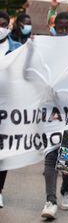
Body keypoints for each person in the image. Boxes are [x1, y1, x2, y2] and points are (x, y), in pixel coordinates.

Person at [41, 12, 68, 219]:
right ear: (54, 27)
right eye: (59, 28)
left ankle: (66, 191)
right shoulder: (47, 50)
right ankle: (50, 200)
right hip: (50, 111)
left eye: (66, 28)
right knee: (51, 154)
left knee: (67, 156)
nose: (63, 32)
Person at [0, 11, 22, 208]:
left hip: (7, 108)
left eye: (3, 24)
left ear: (9, 25)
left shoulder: (18, 49)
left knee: (3, 152)